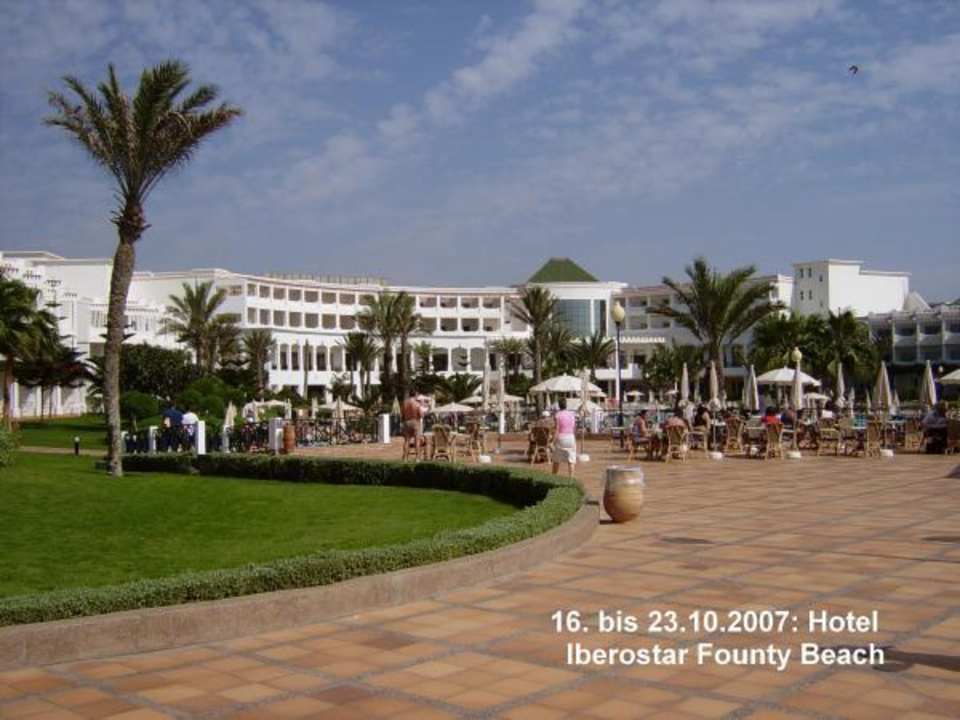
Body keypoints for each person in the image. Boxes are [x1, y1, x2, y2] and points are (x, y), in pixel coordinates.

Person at [551, 397, 577, 477]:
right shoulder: (572, 414)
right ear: (566, 405)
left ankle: (553, 477)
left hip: (561, 437)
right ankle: (571, 478)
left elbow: (557, 429)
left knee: (556, 460)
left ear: (559, 406)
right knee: (571, 460)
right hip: (571, 437)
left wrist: (552, 441)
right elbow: (574, 427)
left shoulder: (557, 415)